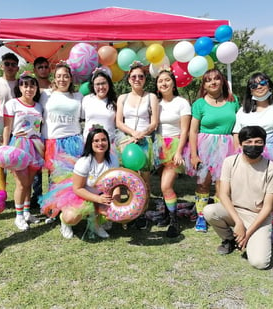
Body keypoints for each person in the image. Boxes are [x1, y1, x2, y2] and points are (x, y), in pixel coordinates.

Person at [232, 72, 273, 242]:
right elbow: (236, 134)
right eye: (254, 85)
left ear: (269, 85)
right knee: (254, 192)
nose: (259, 87)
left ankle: (269, 227)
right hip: (249, 153)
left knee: (272, 195)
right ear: (250, 90)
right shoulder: (243, 110)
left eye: (262, 82)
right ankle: (251, 223)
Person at [203, 126, 273, 269]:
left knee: (260, 263)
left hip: (258, 216)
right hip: (235, 211)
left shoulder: (272, 169)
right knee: (209, 211)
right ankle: (229, 239)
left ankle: (254, 237)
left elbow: (268, 207)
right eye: (249, 141)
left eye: (258, 142)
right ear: (240, 144)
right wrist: (238, 223)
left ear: (264, 144)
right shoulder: (230, 162)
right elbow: (223, 194)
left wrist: (248, 232)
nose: (253, 145)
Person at [186, 68, 240, 233]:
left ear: (222, 81)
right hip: (205, 146)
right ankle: (201, 215)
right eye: (208, 80)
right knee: (203, 183)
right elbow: (193, 131)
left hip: (228, 146)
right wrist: (194, 155)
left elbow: (238, 127)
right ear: (204, 85)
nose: (213, 82)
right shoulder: (199, 104)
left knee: (222, 184)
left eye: (217, 78)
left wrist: (238, 151)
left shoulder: (233, 100)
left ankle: (218, 215)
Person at [42, 128, 119, 239]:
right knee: (71, 218)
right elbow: (78, 188)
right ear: (90, 143)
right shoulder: (84, 162)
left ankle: (96, 223)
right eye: (96, 141)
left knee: (114, 209)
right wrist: (97, 199)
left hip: (101, 194)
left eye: (103, 140)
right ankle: (65, 222)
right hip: (80, 194)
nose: (100, 143)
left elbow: (116, 184)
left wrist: (115, 201)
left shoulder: (113, 160)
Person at [115, 61, 159, 228]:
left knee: (145, 178)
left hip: (144, 139)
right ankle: (130, 210)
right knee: (128, 178)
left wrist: (141, 134)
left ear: (145, 79)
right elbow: (119, 122)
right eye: (134, 76)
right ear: (128, 79)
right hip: (126, 140)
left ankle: (144, 211)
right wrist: (132, 134)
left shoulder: (151, 97)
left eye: (141, 76)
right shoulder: (122, 98)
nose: (137, 79)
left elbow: (154, 122)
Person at [39, 61, 84, 223]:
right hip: (53, 142)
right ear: (54, 78)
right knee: (54, 179)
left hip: (73, 142)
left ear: (71, 78)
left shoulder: (79, 96)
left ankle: (68, 211)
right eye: (59, 76)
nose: (62, 79)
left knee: (71, 180)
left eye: (65, 76)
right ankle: (54, 210)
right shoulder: (45, 95)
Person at [2, 73, 43, 230]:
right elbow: (7, 127)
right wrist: (5, 146)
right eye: (25, 85)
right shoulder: (12, 104)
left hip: (35, 146)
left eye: (32, 85)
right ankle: (18, 216)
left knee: (29, 183)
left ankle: (26, 212)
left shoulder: (39, 106)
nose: (29, 89)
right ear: (19, 87)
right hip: (19, 146)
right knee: (21, 183)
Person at [153, 69, 191, 237]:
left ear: (173, 83)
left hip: (174, 145)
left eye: (167, 80)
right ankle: (167, 215)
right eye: (160, 81)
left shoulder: (181, 103)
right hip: (158, 146)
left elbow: (185, 130)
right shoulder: (157, 103)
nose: (164, 83)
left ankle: (174, 221)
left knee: (165, 186)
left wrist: (179, 151)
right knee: (163, 184)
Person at [31, 56, 52, 209]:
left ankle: (52, 196)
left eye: (46, 66)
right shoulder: (30, 87)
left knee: (52, 167)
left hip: (51, 134)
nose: (43, 69)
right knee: (35, 168)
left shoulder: (55, 86)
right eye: (40, 67)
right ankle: (36, 197)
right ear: (35, 70)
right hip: (35, 135)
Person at [81, 68, 117, 142]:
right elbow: (81, 118)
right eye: (97, 84)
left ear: (108, 84)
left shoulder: (115, 101)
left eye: (103, 83)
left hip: (109, 143)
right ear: (93, 86)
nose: (101, 87)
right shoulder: (86, 99)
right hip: (89, 143)